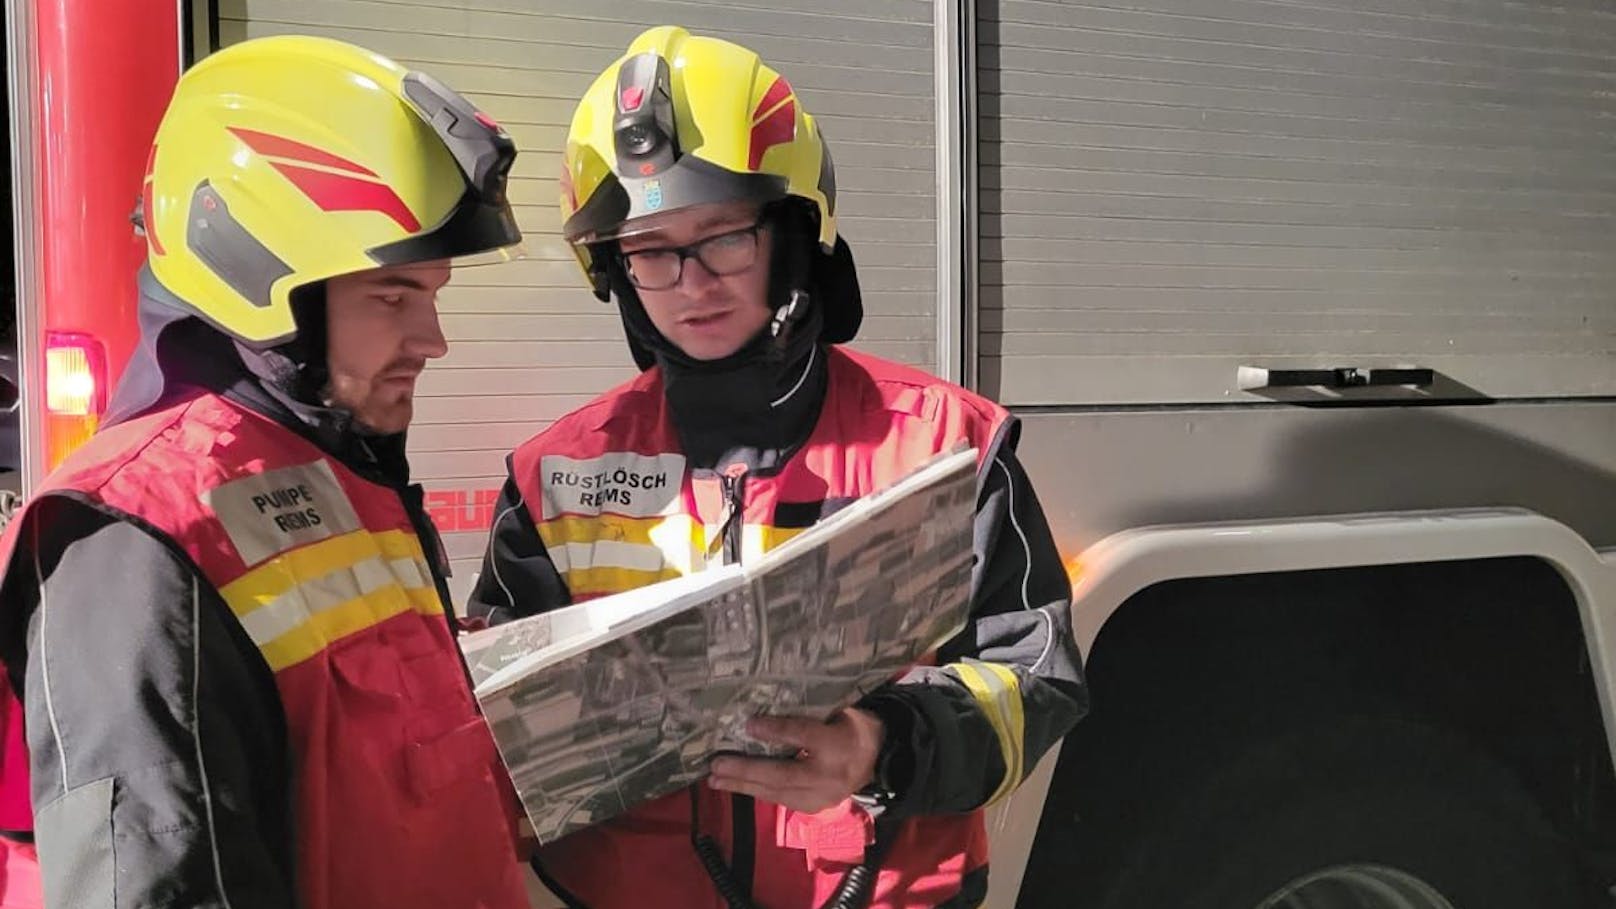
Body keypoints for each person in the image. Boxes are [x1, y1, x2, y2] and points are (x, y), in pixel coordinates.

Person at [471, 25, 1089, 909]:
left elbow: (1036, 680)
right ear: (614, 268)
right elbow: (491, 724)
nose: (691, 283)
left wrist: (881, 746)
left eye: (724, 236)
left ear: (795, 234)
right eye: (651, 250)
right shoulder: (554, 474)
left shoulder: (949, 442)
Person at [0, 35, 531, 908]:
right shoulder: (132, 546)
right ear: (255, 276)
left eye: (430, 295)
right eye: (394, 297)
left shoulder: (336, 471)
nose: (433, 342)